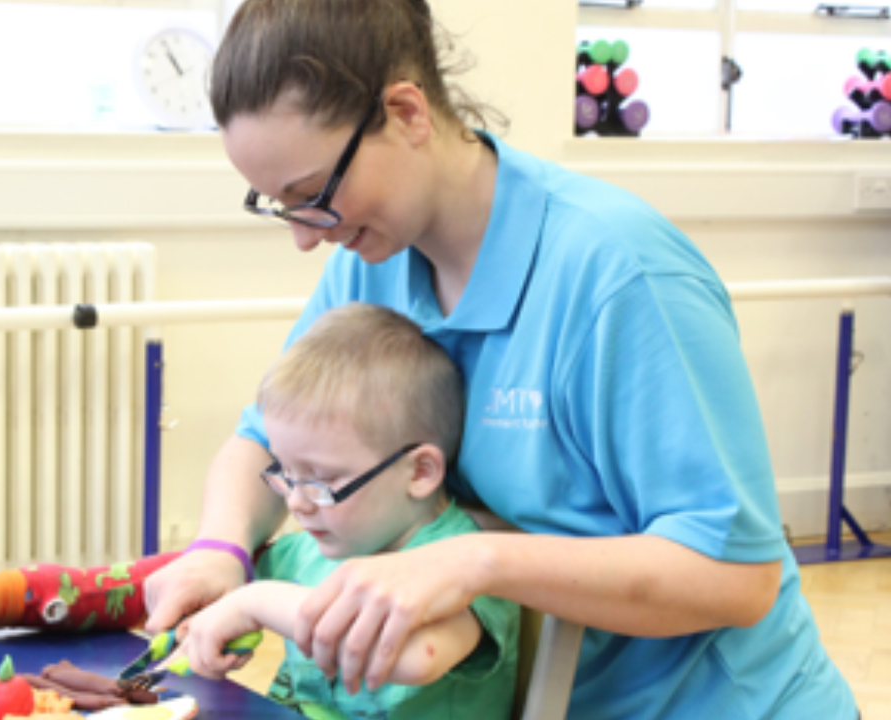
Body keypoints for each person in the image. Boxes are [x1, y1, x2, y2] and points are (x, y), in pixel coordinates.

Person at [143, 1, 859, 718]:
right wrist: (220, 549)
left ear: (406, 112)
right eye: (278, 205)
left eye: (314, 196)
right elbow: (265, 441)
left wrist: (474, 561)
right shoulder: (372, 256)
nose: (304, 238)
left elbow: (735, 576)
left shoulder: (620, 276)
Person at [180, 302, 518, 720]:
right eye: (286, 473)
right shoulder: (311, 548)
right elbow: (217, 585)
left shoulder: (463, 565)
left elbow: (415, 656)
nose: (296, 502)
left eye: (321, 480)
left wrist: (255, 603)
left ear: (420, 472)